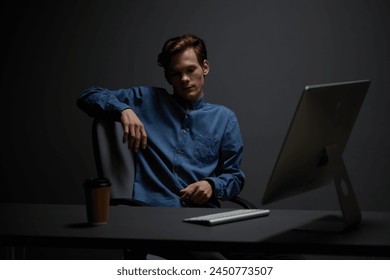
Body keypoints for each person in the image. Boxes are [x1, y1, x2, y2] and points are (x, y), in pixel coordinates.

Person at [77, 34, 245, 209]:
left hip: (201, 215)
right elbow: (87, 96)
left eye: (190, 70)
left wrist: (212, 185)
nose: (184, 79)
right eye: (176, 73)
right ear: (168, 77)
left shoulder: (225, 119)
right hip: (149, 214)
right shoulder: (146, 100)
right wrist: (123, 109)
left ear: (205, 67)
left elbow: (235, 176)